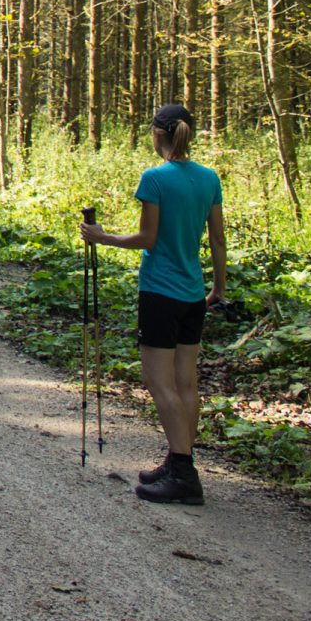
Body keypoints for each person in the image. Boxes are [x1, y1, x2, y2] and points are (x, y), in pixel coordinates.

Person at [79, 102, 226, 504]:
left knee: (161, 384)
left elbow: (147, 239)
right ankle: (180, 459)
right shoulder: (209, 178)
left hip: (160, 292)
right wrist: (219, 289)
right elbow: (216, 240)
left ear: (157, 135)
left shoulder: (155, 179)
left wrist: (102, 237)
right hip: (193, 293)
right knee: (187, 383)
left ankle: (183, 472)